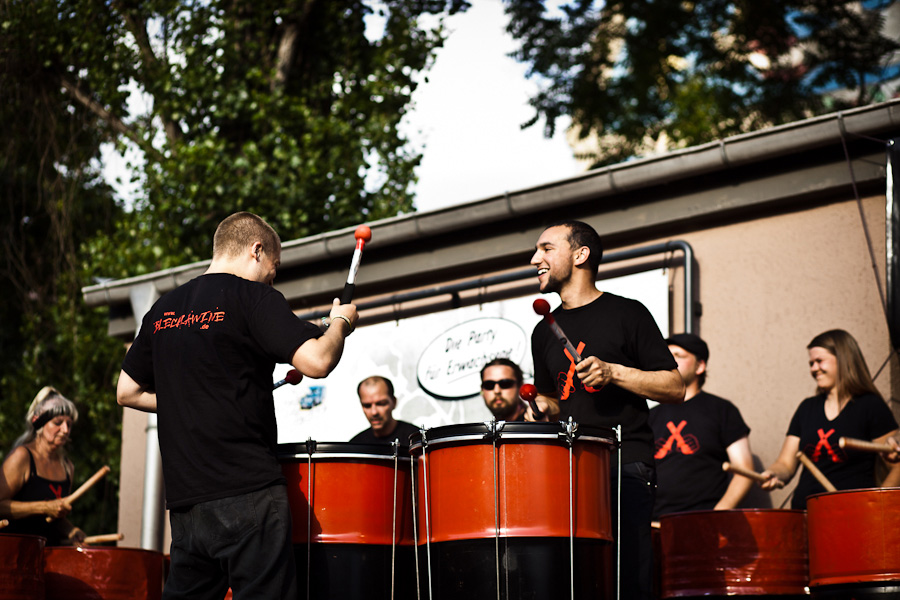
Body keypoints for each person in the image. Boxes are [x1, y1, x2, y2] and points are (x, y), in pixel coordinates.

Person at [116, 212, 358, 600]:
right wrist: (340, 323)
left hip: (187, 503)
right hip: (248, 492)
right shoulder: (253, 297)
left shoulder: (163, 309)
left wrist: (189, 400)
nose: (271, 280)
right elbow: (317, 361)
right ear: (256, 250)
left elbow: (126, 391)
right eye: (273, 269)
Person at [528, 220, 684, 600]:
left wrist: (613, 372)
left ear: (580, 255)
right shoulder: (543, 330)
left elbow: (674, 387)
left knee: (627, 579)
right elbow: (552, 398)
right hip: (570, 468)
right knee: (577, 581)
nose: (535, 259)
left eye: (547, 249)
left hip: (624, 463)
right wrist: (541, 407)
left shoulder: (628, 313)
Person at [761, 329, 900, 508]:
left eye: (819, 361)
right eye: (811, 363)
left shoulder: (870, 406)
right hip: (806, 512)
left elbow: (896, 465)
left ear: (843, 359)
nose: (814, 369)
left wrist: (877, 504)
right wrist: (774, 474)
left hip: (852, 512)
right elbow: (785, 464)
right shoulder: (806, 408)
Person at [649, 333, 754, 519]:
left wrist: (715, 517)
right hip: (656, 524)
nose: (670, 361)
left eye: (678, 356)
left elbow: (744, 471)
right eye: (667, 355)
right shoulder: (650, 415)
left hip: (704, 522)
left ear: (700, 366)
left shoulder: (721, 410)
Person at [0, 386, 86, 546]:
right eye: (58, 423)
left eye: (69, 424)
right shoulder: (22, 456)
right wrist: (45, 507)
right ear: (40, 424)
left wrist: (71, 531)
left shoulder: (67, 467)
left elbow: (55, 518)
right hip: (15, 552)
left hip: (47, 553)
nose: (65, 430)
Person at [350, 376, 419, 446]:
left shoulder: (417, 439)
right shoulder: (355, 445)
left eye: (381, 404)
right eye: (367, 405)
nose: (374, 412)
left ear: (394, 402)